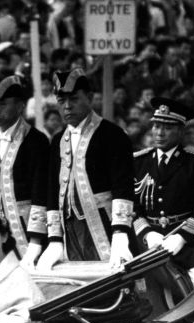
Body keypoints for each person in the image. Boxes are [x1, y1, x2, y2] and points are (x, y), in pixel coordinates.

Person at [40, 69, 135, 270]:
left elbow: (123, 185)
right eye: (61, 100)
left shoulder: (112, 134)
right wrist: (55, 238)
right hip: (70, 231)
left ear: (90, 98)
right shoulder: (57, 140)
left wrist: (120, 232)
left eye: (74, 99)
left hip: (106, 225)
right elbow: (52, 191)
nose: (67, 106)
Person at [132, 97, 194, 289]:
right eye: (156, 126)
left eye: (167, 127)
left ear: (181, 131)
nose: (160, 132)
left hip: (193, 246)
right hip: (149, 244)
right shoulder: (139, 162)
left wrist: (182, 236)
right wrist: (147, 233)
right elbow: (132, 206)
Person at [0, 74, 50, 262]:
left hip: (27, 233)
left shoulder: (36, 141)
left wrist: (36, 241)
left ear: (20, 106)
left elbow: (41, 191)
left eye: (2, 104)